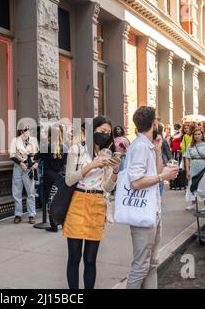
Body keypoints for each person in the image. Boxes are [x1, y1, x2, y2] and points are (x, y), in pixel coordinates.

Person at [125, 107, 179, 289]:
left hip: (152, 210)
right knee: (141, 265)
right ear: (154, 124)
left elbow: (156, 171)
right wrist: (164, 176)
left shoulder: (148, 146)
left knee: (152, 263)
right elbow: (136, 182)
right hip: (143, 214)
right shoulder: (139, 147)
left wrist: (157, 150)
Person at [64, 116, 120, 289]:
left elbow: (107, 187)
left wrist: (115, 171)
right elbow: (69, 180)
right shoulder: (77, 150)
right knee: (74, 257)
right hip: (78, 203)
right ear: (91, 131)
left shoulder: (107, 154)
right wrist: (92, 165)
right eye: (102, 131)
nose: (105, 135)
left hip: (97, 204)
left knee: (90, 259)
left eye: (108, 133)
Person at [36, 123, 68, 232]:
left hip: (49, 176)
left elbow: (36, 157)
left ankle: (54, 225)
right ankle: (63, 223)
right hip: (60, 176)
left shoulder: (46, 146)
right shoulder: (65, 147)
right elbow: (66, 163)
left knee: (50, 200)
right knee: (60, 200)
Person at [10, 123, 39, 224]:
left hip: (29, 167)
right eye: (23, 130)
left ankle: (32, 215)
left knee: (30, 192)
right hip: (18, 167)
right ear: (20, 131)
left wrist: (36, 163)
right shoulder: (15, 140)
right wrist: (20, 163)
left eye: (27, 129)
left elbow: (37, 155)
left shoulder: (33, 140)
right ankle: (18, 215)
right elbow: (12, 155)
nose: (25, 131)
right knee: (17, 192)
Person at [183, 129, 205, 211]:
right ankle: (193, 204)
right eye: (195, 134)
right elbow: (187, 158)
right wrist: (187, 170)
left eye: (198, 134)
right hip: (193, 166)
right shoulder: (190, 145)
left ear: (202, 135)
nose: (197, 136)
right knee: (192, 183)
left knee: (204, 184)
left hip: (204, 166)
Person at [158, 124, 172, 197]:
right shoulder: (162, 140)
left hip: (162, 162)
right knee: (159, 180)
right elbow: (168, 153)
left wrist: (170, 163)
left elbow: (168, 153)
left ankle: (159, 197)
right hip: (160, 162)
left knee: (160, 180)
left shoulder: (163, 141)